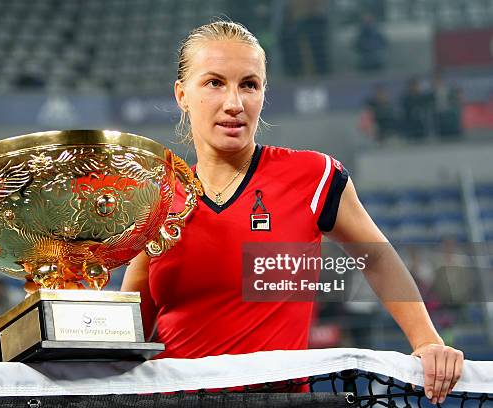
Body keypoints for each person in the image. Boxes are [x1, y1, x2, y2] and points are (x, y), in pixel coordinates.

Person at [122, 21, 463, 405]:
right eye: (214, 82)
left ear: (263, 94)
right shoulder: (157, 198)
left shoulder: (313, 177)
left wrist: (428, 341)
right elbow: (133, 325)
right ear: (182, 94)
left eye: (249, 84)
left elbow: (378, 257)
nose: (234, 103)